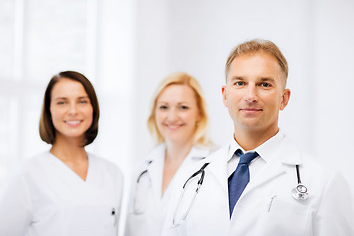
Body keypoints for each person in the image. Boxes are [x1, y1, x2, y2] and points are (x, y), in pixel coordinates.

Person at [162, 39, 354, 236]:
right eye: (240, 83)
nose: (251, 95)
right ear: (225, 95)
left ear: (284, 98)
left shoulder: (323, 182)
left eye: (264, 84)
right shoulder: (190, 178)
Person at [0, 71, 124, 236]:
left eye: (82, 101)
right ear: (49, 110)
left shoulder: (112, 173)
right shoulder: (28, 174)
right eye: (62, 102)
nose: (73, 111)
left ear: (93, 108)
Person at [125, 72, 215, 236]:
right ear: (155, 113)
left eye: (183, 107)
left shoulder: (215, 165)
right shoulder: (143, 167)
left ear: (199, 114)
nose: (172, 117)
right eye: (164, 107)